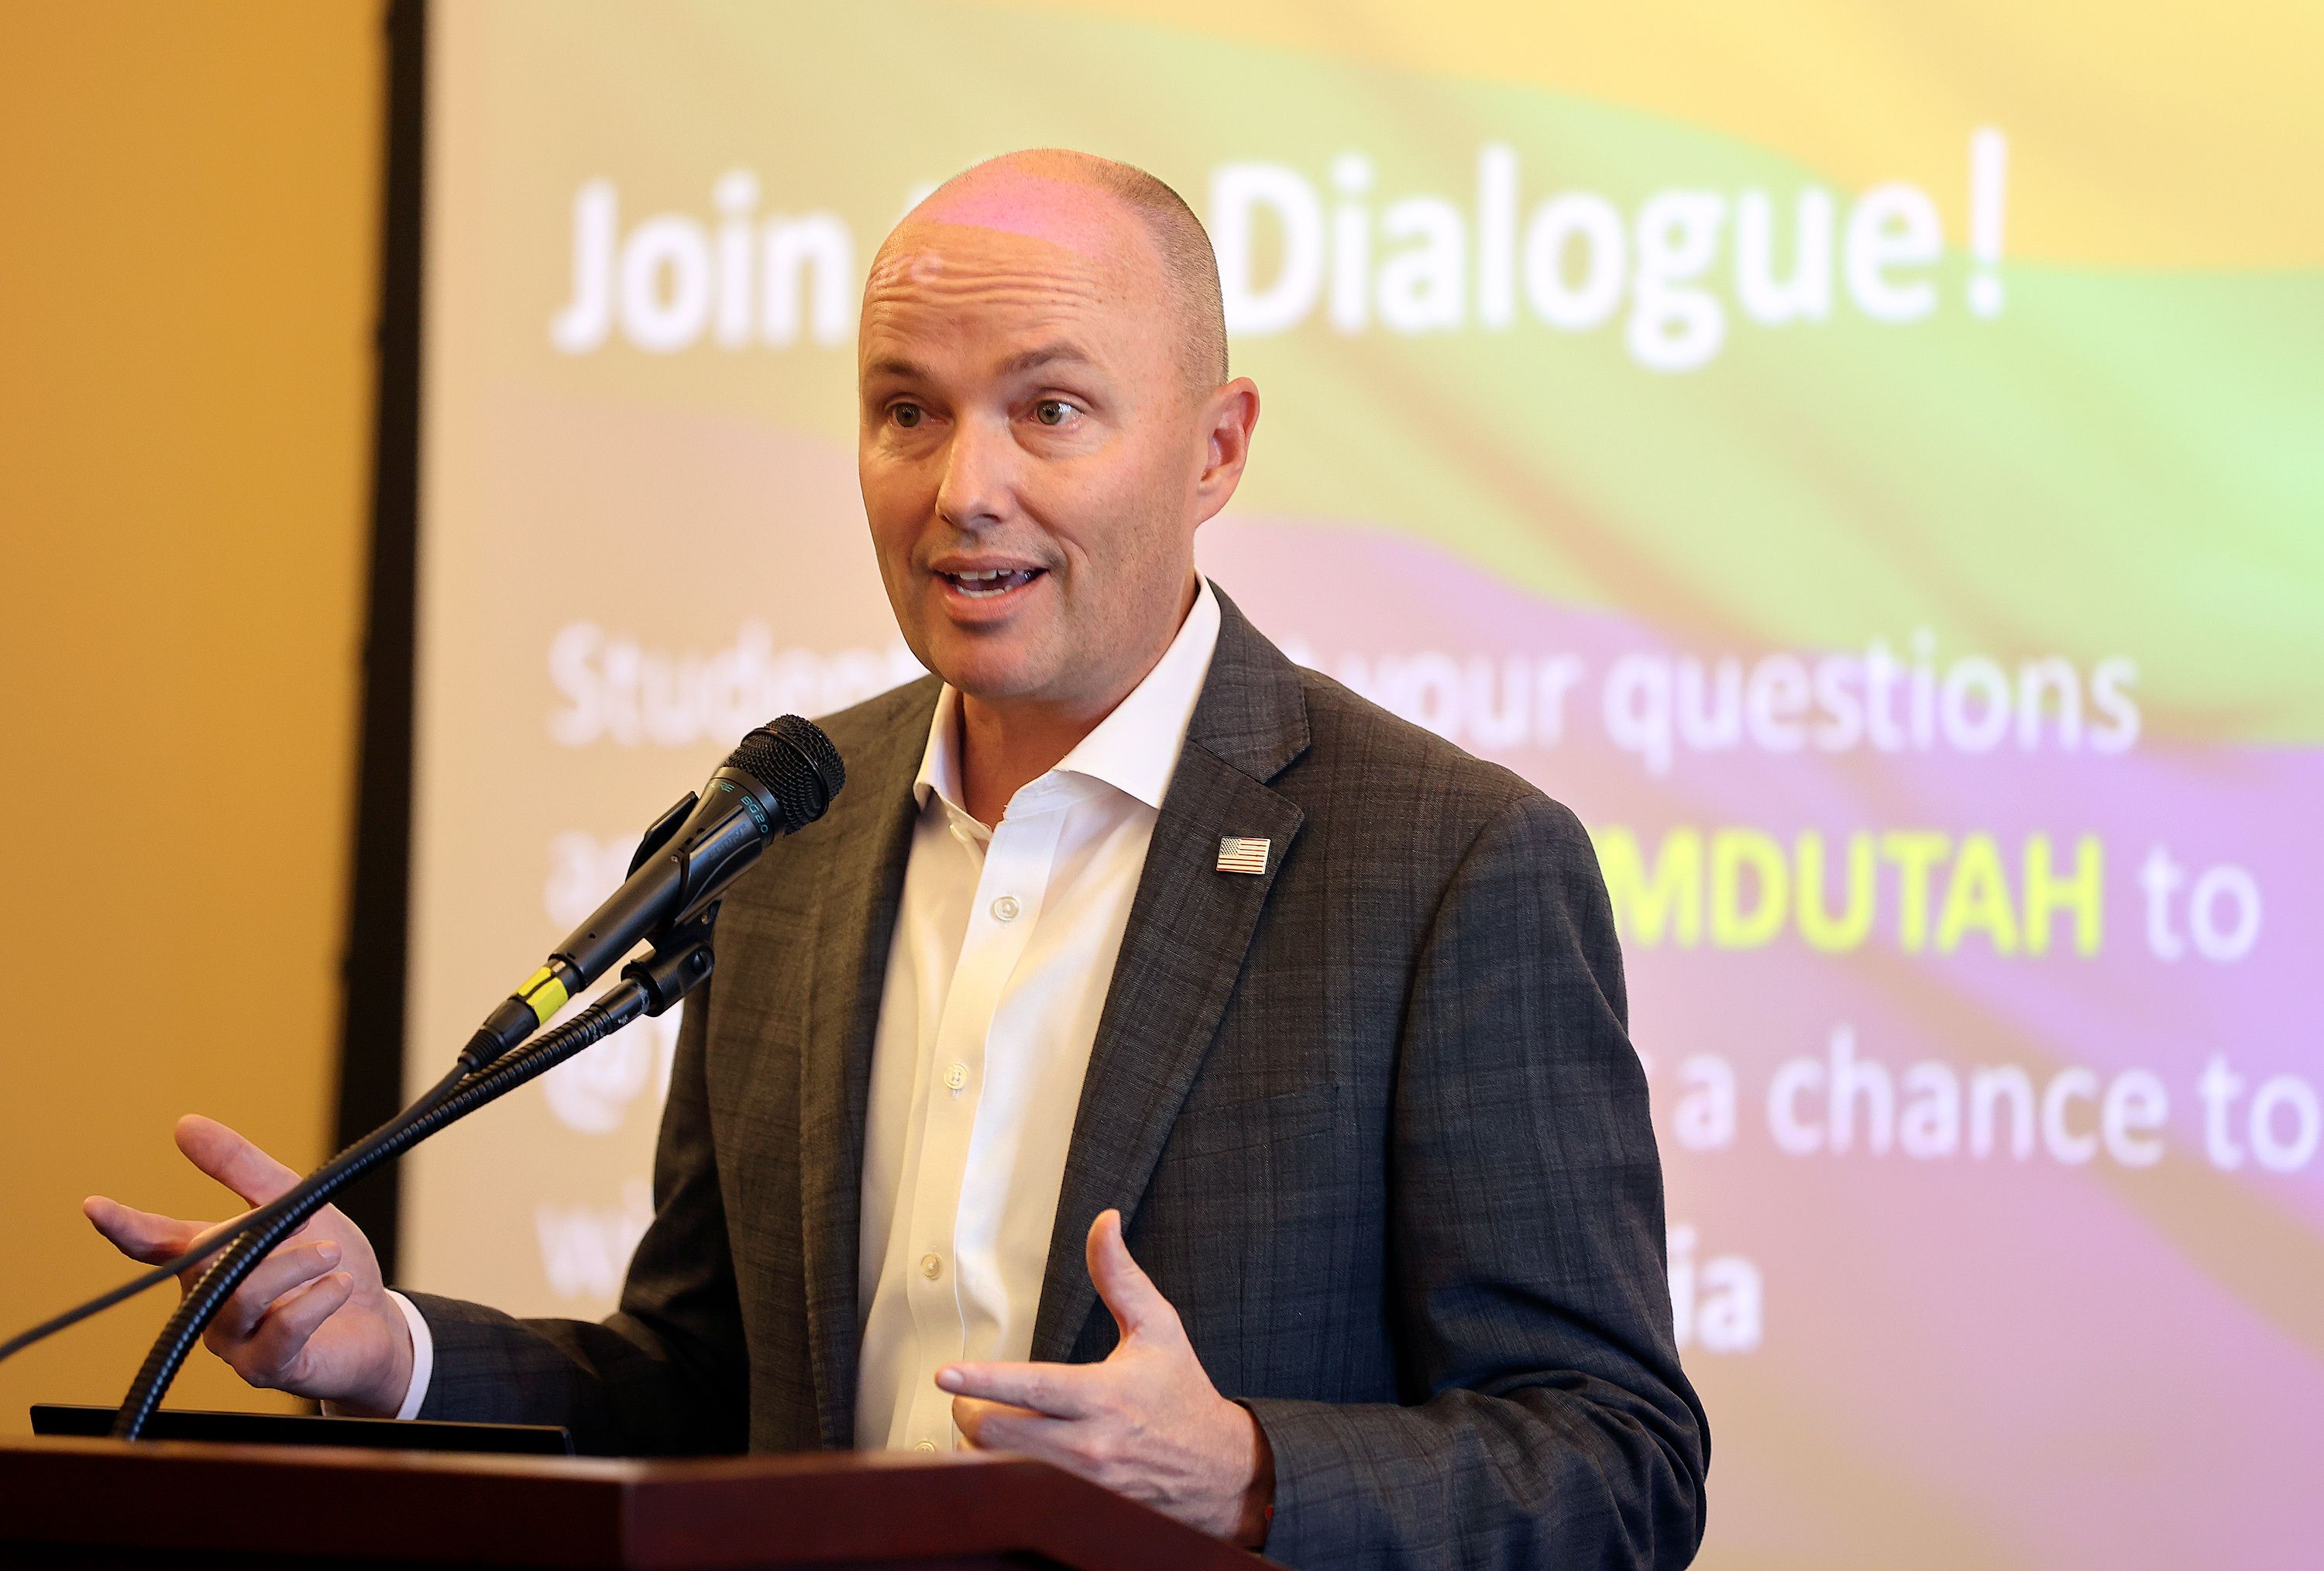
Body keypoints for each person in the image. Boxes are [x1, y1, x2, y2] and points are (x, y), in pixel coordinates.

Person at [88, 150, 1707, 1567]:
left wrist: (1251, 1478)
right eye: (905, 412)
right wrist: (393, 1357)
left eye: (1049, 410)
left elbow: (1617, 1466)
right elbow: (705, 1391)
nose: (962, 490)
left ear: (1216, 451)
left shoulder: (1451, 865)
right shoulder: (783, 830)